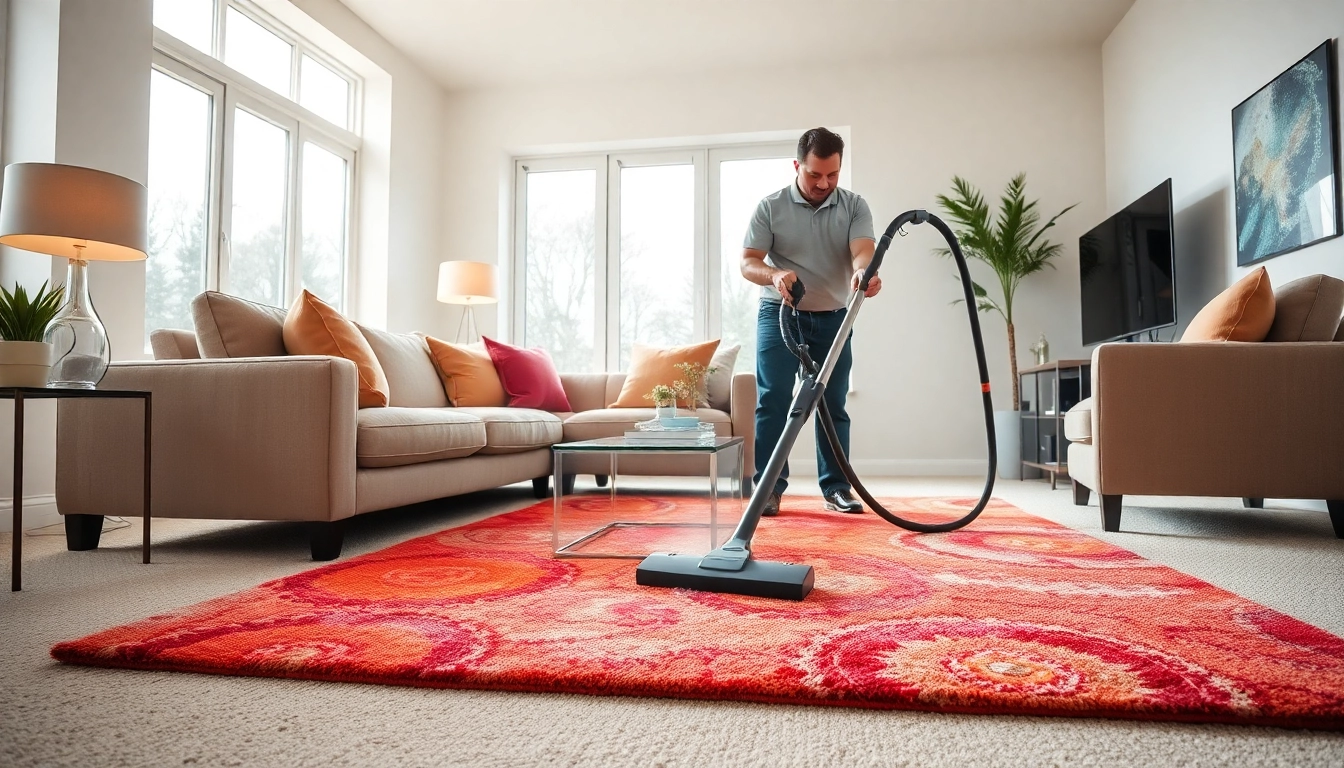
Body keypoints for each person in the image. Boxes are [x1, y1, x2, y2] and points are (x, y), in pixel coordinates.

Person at [740, 127, 881, 516]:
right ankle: (768, 488)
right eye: (815, 174)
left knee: (833, 404)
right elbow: (748, 262)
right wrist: (774, 274)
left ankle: (836, 488)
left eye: (832, 175)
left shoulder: (854, 206)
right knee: (772, 400)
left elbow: (862, 251)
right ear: (797, 165)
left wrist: (862, 273)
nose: (824, 183)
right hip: (780, 314)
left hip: (835, 315)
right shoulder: (771, 207)